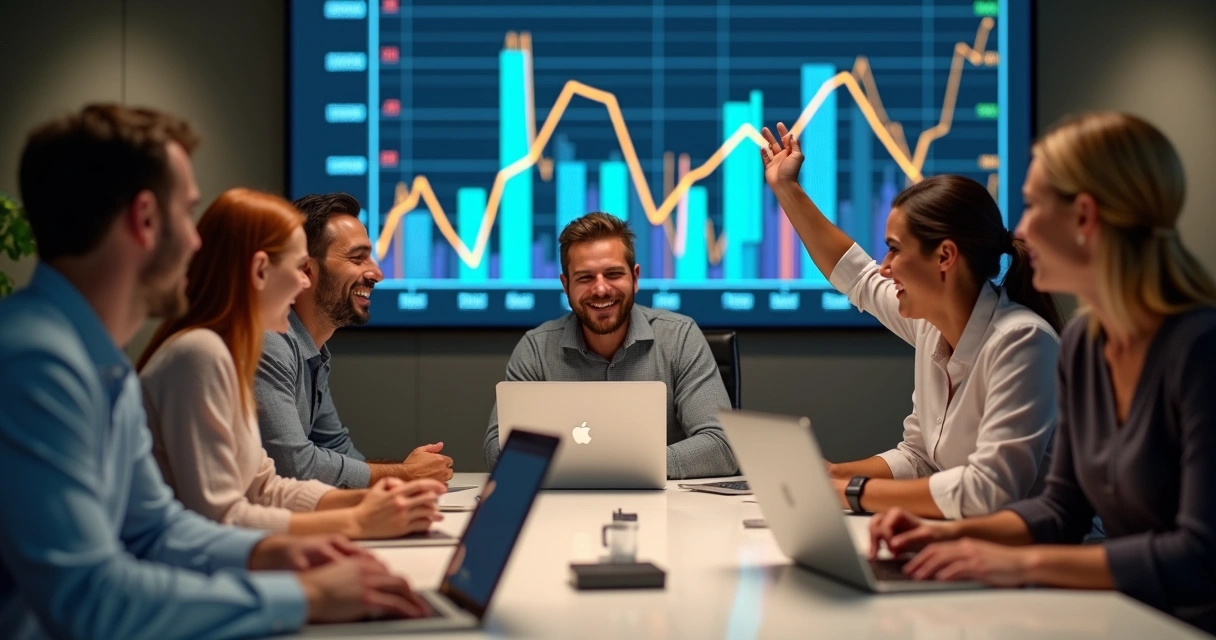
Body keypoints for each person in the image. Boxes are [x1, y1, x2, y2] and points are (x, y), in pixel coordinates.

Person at [0, 104, 430, 639]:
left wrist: (283, 549)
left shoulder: (96, 360)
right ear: (145, 220)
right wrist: (306, 593)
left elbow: (159, 530)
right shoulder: (37, 363)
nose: (198, 241)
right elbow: (89, 600)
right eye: (187, 212)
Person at [869, 112, 1216, 633]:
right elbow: (1061, 509)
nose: (1022, 230)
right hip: (1117, 613)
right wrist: (937, 535)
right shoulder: (1083, 343)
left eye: (1032, 205)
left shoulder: (1200, 350)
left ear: (1085, 217)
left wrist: (1017, 562)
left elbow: (1200, 556)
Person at [761, 122, 1064, 519]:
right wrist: (833, 473)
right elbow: (921, 460)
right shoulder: (932, 323)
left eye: (893, 250)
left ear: (944, 257)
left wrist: (848, 492)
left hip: (1041, 564)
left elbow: (989, 492)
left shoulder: (1023, 342)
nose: (884, 268)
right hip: (967, 546)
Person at [138, 187, 445, 539]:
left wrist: (378, 501)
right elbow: (222, 516)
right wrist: (359, 518)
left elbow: (265, 487)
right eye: (298, 267)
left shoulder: (224, 350)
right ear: (260, 271)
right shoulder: (203, 353)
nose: (304, 282)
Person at [483, 212, 737, 479]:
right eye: (585, 278)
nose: (601, 289)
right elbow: (497, 450)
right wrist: (614, 466)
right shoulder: (536, 348)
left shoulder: (680, 337)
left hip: (666, 512)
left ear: (635, 278)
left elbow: (722, 445)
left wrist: (618, 467)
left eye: (613, 274)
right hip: (560, 514)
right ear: (565, 285)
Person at [254, 192, 454, 488]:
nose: (377, 274)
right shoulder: (269, 344)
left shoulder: (312, 352)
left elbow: (340, 453)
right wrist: (405, 474)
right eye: (357, 258)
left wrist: (407, 472)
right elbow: (292, 465)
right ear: (306, 269)